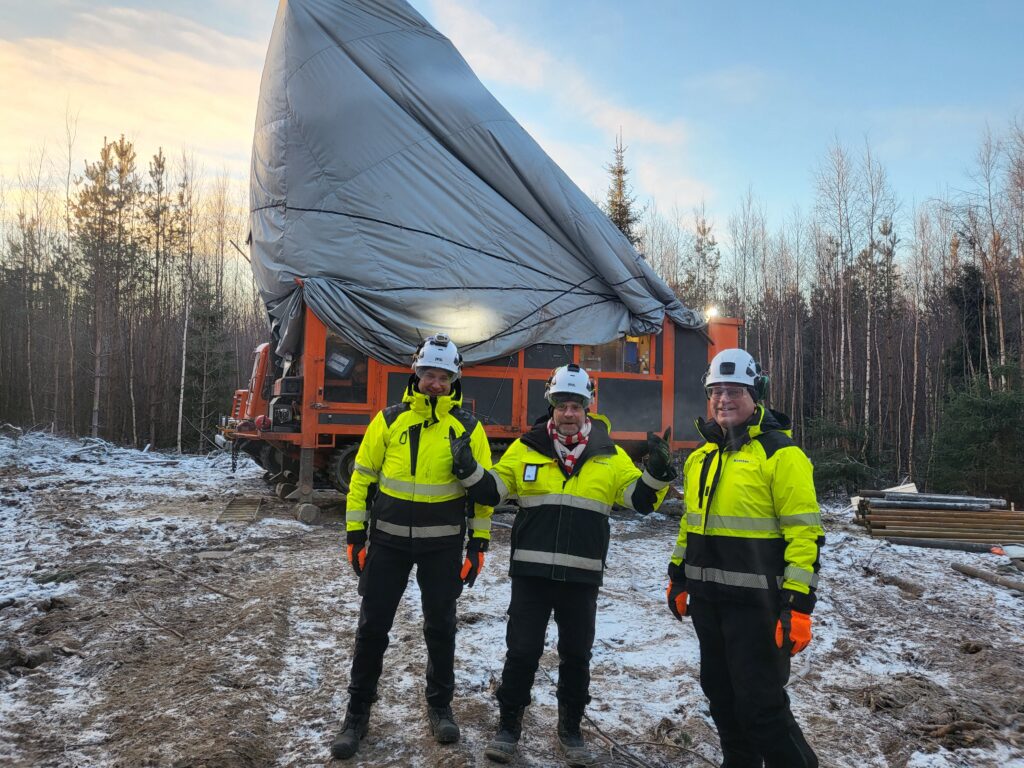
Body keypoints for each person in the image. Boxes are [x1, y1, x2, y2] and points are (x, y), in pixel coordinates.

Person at [450, 363, 675, 766]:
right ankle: (508, 728)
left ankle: (570, 730)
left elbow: (638, 501)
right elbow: (495, 490)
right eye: (561, 404)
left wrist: (657, 474)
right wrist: (468, 468)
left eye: (576, 405)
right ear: (550, 405)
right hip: (531, 576)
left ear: (588, 406)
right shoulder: (526, 448)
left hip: (581, 578)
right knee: (521, 653)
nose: (569, 413)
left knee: (576, 656)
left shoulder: (609, 455)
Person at [331, 333, 493, 760]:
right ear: (416, 374)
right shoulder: (388, 420)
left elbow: (481, 494)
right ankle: (356, 713)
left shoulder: (469, 428)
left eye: (443, 376)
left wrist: (478, 544)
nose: (434, 382)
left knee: (441, 629)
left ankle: (440, 706)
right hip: (387, 544)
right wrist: (354, 536)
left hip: (442, 548)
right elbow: (361, 480)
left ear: (454, 379)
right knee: (371, 629)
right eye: (428, 374)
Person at [665, 348, 824, 768]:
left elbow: (805, 535)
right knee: (720, 696)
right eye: (716, 391)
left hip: (759, 609)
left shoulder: (780, 454)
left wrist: (799, 606)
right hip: (708, 603)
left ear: (757, 395)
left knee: (761, 707)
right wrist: (678, 576)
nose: (723, 400)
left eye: (734, 391)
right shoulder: (701, 458)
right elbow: (690, 526)